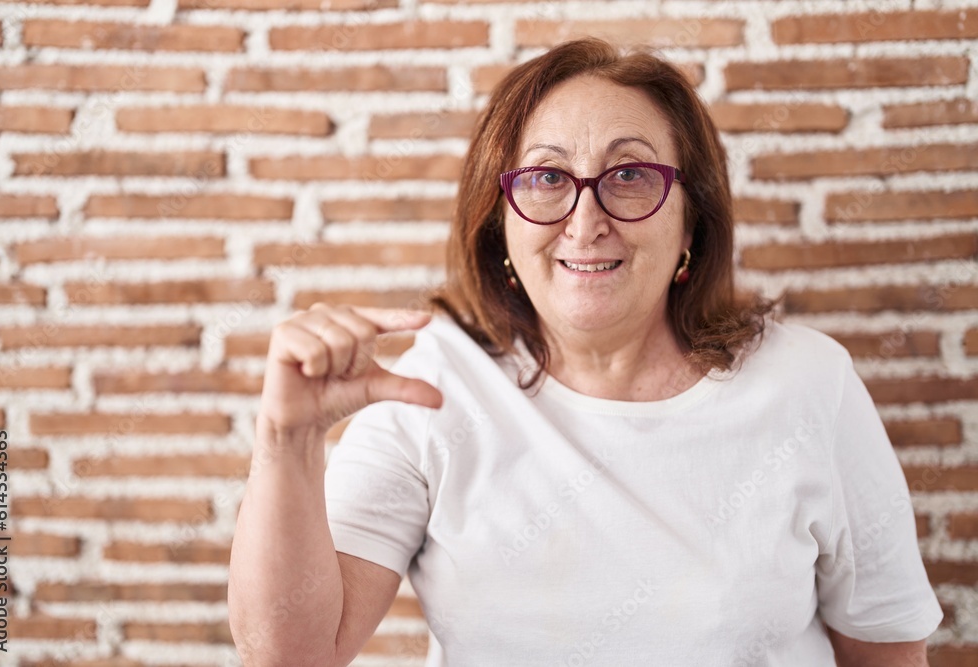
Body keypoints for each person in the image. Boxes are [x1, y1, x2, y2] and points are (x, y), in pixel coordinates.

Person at [228, 38, 942, 666]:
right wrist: (287, 441)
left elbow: (888, 652)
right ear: (499, 219)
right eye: (547, 178)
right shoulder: (430, 386)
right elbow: (292, 656)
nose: (586, 220)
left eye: (630, 175)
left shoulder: (809, 384)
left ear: (691, 216)